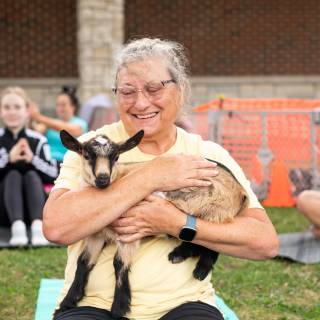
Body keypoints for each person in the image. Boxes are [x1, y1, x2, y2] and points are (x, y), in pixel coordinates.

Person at [44, 38, 279, 320]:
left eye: (154, 89)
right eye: (127, 91)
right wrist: (152, 175)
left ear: (180, 90)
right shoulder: (90, 148)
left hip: (183, 305)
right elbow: (56, 227)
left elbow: (264, 242)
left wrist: (177, 223)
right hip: (92, 305)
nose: (141, 103)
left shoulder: (205, 154)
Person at [0, 87, 58, 246]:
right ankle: (17, 228)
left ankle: (37, 227)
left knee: (31, 175)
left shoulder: (38, 140)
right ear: (1, 111)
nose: (12, 112)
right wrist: (8, 159)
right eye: (7, 107)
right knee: (13, 175)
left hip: (36, 207)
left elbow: (54, 174)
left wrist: (32, 159)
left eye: (17, 107)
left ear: (27, 111)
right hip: (4, 211)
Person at [29, 86, 88, 167]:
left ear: (73, 107)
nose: (60, 108)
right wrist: (30, 116)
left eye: (63, 105)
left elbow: (66, 129)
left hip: (68, 164)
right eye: (58, 105)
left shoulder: (80, 123)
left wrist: (38, 117)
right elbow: (35, 132)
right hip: (48, 162)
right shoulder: (49, 123)